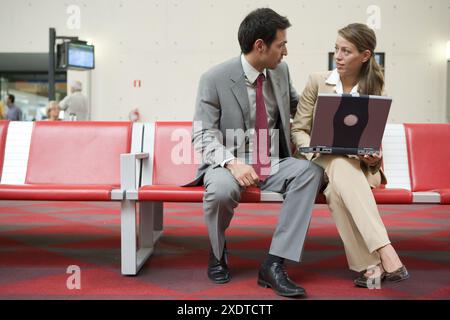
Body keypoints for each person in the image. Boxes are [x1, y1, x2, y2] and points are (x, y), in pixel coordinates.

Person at [190, 8, 323, 297]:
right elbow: (201, 134)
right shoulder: (214, 78)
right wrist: (232, 162)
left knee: (311, 172)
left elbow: (299, 109)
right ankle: (217, 250)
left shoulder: (280, 71)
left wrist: (338, 113)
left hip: (273, 161)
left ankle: (275, 263)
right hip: (228, 163)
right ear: (260, 46)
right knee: (221, 193)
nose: (285, 52)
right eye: (281, 44)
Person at [291, 23, 409, 288]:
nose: (339, 56)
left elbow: (373, 143)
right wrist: (313, 149)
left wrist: (372, 158)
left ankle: (370, 265)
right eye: (336, 49)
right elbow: (298, 129)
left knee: (338, 184)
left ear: (365, 56)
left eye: (346, 51)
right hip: (319, 163)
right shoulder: (317, 81)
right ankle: (386, 251)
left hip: (359, 171)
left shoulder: (376, 88)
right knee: (337, 163)